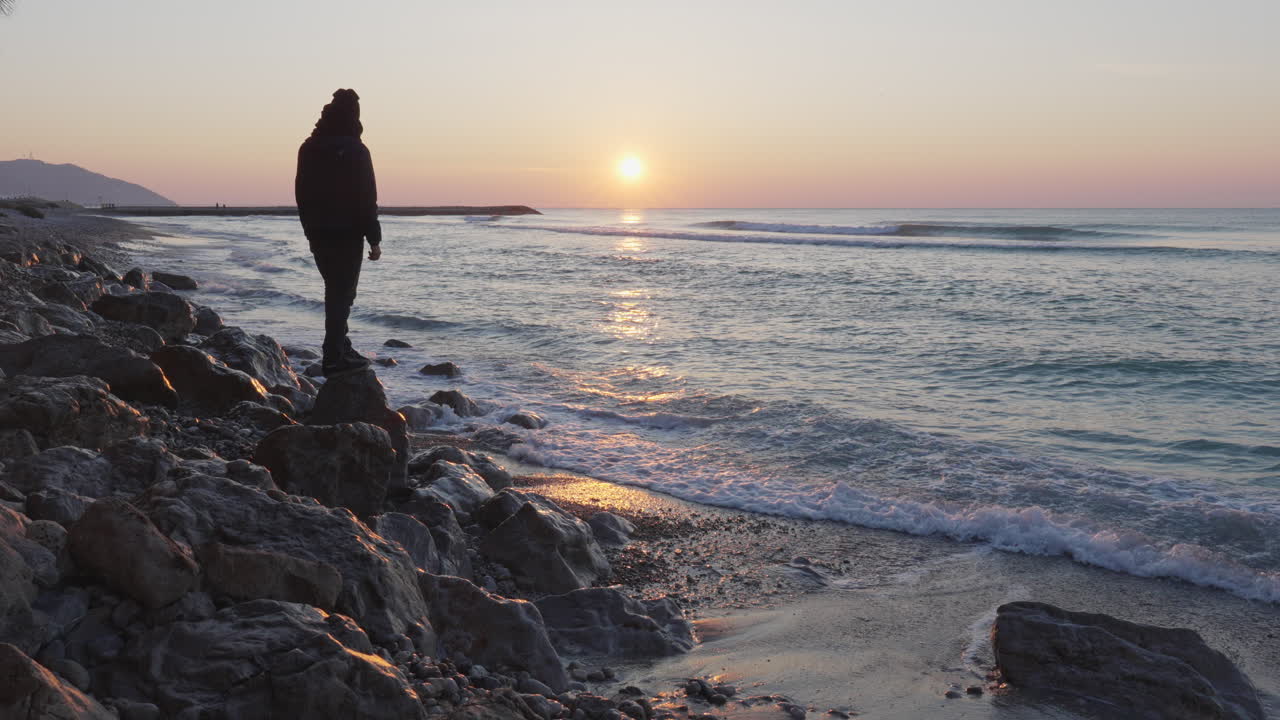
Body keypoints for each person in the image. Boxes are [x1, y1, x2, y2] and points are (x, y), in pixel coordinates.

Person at [295, 88, 381, 375]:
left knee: (336, 290)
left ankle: (341, 346)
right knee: (342, 293)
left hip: (319, 232)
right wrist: (374, 238)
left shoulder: (309, 147)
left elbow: (301, 192)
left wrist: (309, 228)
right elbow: (366, 196)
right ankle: (333, 356)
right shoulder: (356, 149)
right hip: (347, 232)